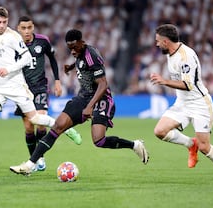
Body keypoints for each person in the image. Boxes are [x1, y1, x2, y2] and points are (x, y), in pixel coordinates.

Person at [10, 29, 149, 176]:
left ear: (82, 42)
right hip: (83, 97)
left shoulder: (92, 56)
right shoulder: (80, 52)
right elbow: (81, 62)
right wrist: (71, 66)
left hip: (101, 99)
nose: (73, 51)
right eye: (70, 48)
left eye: (75, 47)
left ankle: (134, 145)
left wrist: (90, 107)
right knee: (58, 126)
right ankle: (30, 165)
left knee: (99, 141)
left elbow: (103, 84)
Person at [0, 6, 58, 172]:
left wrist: (8, 70)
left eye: (4, 22)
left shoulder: (13, 37)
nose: (2, 25)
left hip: (16, 85)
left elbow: (26, 57)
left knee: (36, 120)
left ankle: (62, 127)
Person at [150, 24, 213, 186]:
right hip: (182, 103)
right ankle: (191, 144)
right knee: (160, 131)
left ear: (166, 41)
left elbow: (189, 85)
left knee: (205, 147)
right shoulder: (171, 53)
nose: (156, 44)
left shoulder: (185, 57)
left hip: (199, 104)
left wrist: (165, 81)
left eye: (158, 41)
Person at [15, 16, 82, 171]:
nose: (26, 31)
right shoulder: (13, 44)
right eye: (23, 28)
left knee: (40, 121)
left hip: (40, 86)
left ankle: (38, 157)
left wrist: (57, 81)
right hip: (21, 89)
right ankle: (36, 160)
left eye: (29, 27)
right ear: (18, 29)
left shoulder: (42, 41)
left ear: (33, 27)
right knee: (28, 128)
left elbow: (52, 59)